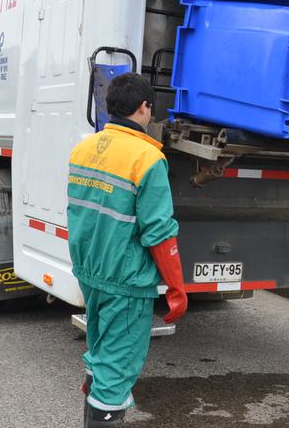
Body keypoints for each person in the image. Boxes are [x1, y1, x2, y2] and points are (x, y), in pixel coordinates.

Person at [67, 73, 188, 426]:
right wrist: (177, 289)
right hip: (126, 281)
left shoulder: (83, 149)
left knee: (101, 349)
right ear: (145, 107)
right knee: (118, 370)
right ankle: (101, 403)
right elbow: (160, 233)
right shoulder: (147, 159)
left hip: (91, 273)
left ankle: (94, 391)